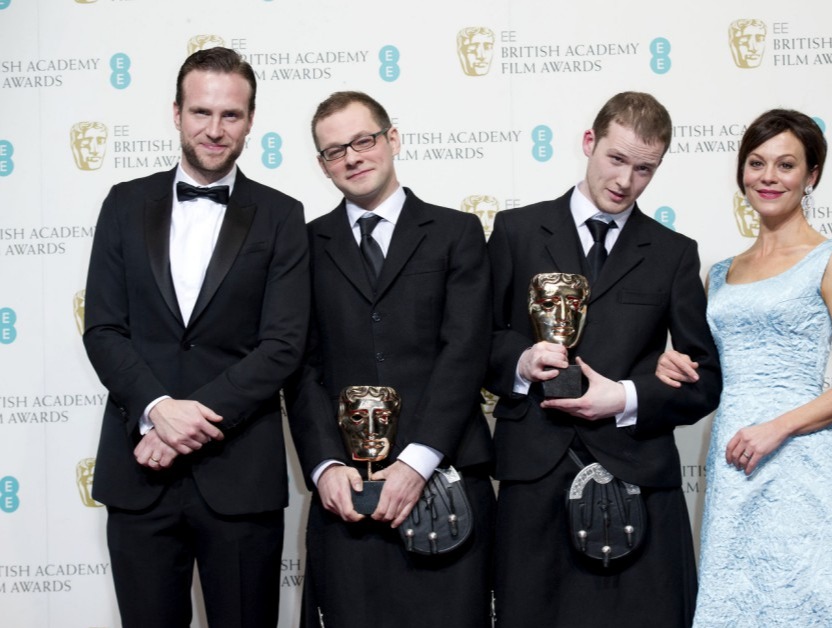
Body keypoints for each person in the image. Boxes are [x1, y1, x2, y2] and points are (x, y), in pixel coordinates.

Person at [83, 47, 309, 628]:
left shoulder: (282, 215)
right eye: (201, 112)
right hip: (139, 474)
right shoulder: (124, 203)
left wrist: (187, 422)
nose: (215, 130)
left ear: (252, 119)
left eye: (231, 115)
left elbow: (282, 344)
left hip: (240, 474)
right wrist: (158, 410)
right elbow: (105, 328)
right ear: (176, 112)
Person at [487, 91, 722, 628]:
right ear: (589, 143)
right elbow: (478, 343)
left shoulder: (673, 253)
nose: (625, 181)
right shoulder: (516, 231)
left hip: (636, 469)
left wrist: (626, 397)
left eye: (645, 170)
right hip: (533, 471)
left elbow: (704, 379)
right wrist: (523, 362)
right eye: (617, 160)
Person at [657, 109, 832, 625]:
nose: (768, 177)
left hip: (801, 455)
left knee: (816, 598)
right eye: (757, 163)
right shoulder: (722, 272)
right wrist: (671, 362)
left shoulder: (831, 259)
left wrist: (778, 428)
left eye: (786, 165)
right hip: (734, 458)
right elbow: (709, 367)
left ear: (811, 177)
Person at [286, 91, 495, 628]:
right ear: (322, 165)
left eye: (363, 141)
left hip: (444, 484)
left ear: (392, 139)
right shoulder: (305, 247)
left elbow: (465, 353)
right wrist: (324, 465)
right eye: (335, 151)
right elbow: (301, 367)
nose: (352, 157)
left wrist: (417, 461)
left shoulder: (457, 233)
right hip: (346, 496)